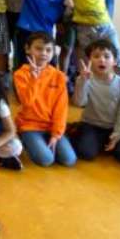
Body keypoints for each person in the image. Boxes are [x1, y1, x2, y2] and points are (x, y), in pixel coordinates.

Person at [13, 32, 76, 167]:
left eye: (48, 50)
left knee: (69, 160)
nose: (43, 53)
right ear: (27, 49)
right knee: (46, 160)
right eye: (38, 48)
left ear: (53, 52)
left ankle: (51, 140)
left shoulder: (59, 76)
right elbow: (27, 102)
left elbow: (61, 109)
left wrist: (56, 134)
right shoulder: (20, 74)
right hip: (29, 126)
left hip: (51, 126)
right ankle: (24, 139)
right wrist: (34, 80)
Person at [71, 40, 120, 165]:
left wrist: (117, 135)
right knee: (86, 153)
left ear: (115, 61)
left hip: (114, 126)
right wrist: (83, 81)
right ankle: (84, 136)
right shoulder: (84, 79)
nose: (101, 60)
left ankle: (100, 143)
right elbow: (79, 103)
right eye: (96, 56)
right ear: (89, 60)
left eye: (107, 56)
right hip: (91, 125)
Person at [14, 0, 66, 70]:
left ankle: (48, 81)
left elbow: (62, 13)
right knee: (24, 61)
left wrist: (69, 3)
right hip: (26, 30)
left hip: (46, 33)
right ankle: (21, 80)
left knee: (49, 62)